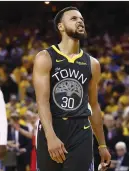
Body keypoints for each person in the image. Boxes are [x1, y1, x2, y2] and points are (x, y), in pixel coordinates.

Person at [33, 7, 111, 171]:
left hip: (80, 129)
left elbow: (94, 105)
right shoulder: (45, 57)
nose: (80, 21)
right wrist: (51, 137)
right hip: (53, 126)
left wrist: (102, 144)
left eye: (81, 19)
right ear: (61, 26)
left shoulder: (92, 64)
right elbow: (42, 101)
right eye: (74, 19)